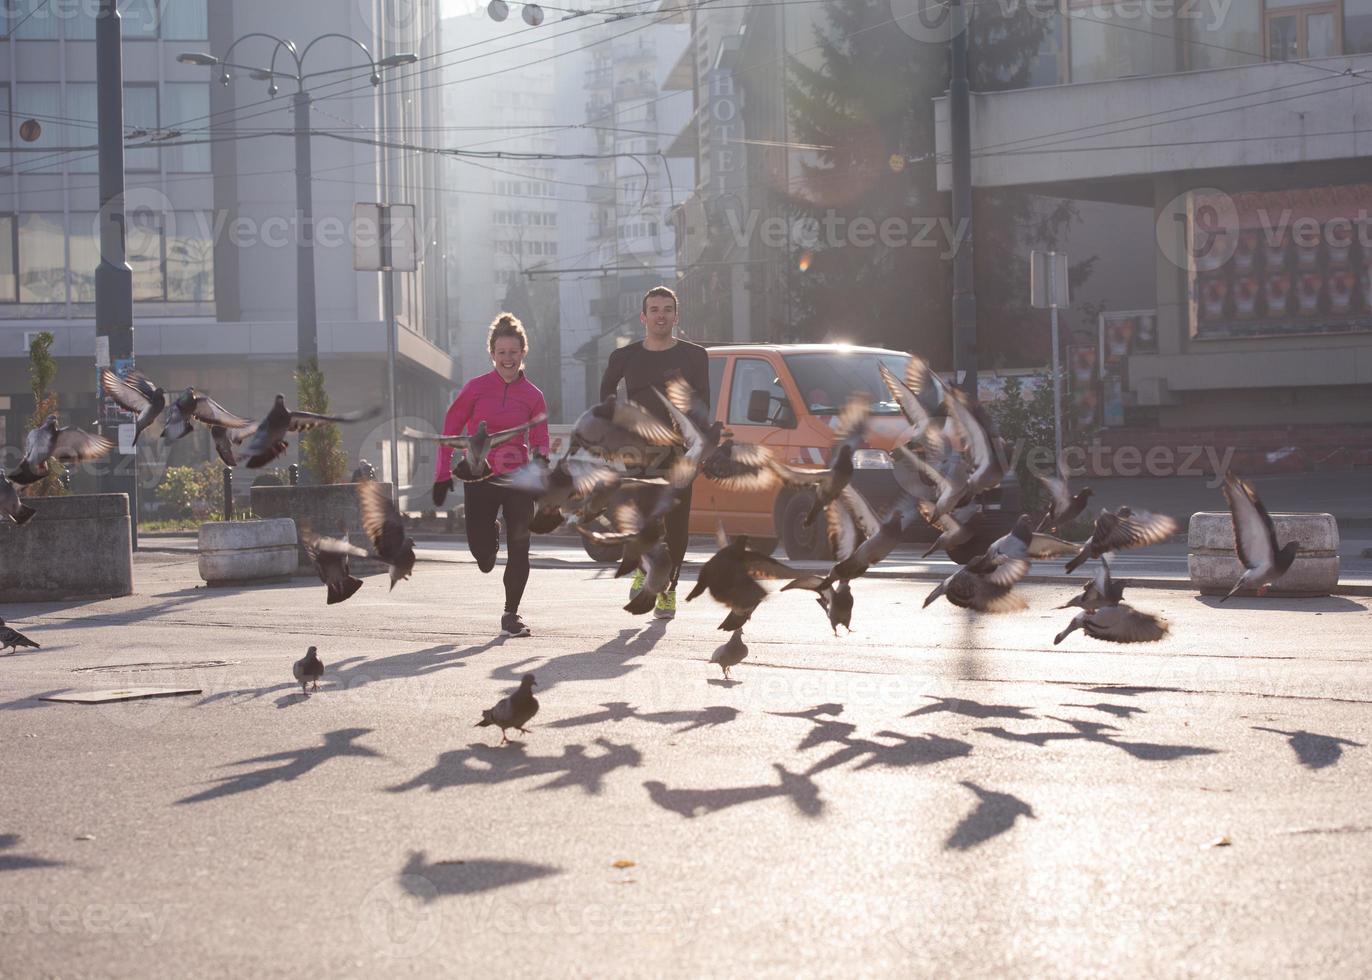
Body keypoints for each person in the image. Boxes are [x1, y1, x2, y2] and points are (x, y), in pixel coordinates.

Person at [432, 313, 550, 637]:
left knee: (520, 547)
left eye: (513, 352)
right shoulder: (476, 389)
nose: (507, 359)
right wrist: (443, 471)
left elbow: (540, 437)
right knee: (482, 556)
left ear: (522, 352)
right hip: (479, 476)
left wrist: (541, 465)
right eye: (501, 352)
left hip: (518, 478)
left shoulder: (533, 395)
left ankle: (511, 614)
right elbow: (450, 428)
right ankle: (488, 543)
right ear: (492, 354)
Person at [598, 285, 710, 620]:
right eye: (654, 310)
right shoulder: (624, 356)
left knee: (676, 524)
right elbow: (606, 393)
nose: (661, 315)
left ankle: (668, 591)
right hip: (638, 451)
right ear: (643, 316)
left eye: (667, 309)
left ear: (676, 316)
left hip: (680, 452)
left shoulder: (694, 356)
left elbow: (702, 404)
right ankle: (642, 567)